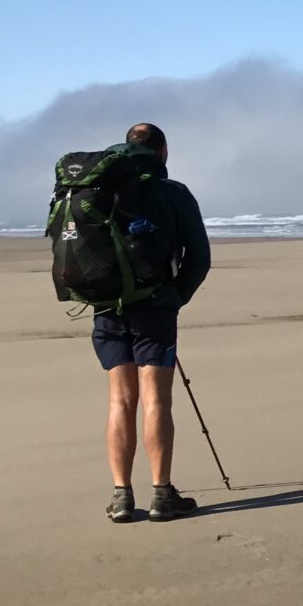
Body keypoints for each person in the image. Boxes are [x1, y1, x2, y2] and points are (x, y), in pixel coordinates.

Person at [94, 122, 211, 523]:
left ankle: (122, 496)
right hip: (156, 309)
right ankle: (162, 494)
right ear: (162, 152)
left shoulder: (101, 188)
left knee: (119, 401)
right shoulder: (174, 193)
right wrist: (176, 297)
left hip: (108, 307)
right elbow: (200, 258)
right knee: (156, 400)